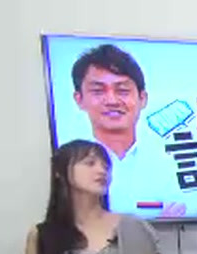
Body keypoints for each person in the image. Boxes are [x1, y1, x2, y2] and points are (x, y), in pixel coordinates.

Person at [25, 139, 162, 254]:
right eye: (90, 163)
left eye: (106, 166)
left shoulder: (132, 226)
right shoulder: (43, 235)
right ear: (59, 172)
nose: (102, 171)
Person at [71, 43, 190, 218]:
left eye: (122, 90)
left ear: (143, 99)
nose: (111, 101)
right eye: (98, 91)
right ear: (79, 99)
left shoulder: (168, 164)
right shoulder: (72, 166)